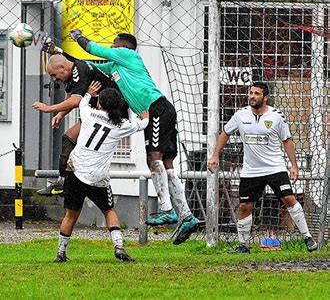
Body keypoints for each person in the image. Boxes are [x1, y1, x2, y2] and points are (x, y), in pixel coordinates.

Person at [67, 30, 198, 244]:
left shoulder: (130, 56)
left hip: (155, 107)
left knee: (153, 159)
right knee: (167, 164)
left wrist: (78, 36)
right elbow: (89, 66)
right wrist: (61, 54)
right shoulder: (117, 66)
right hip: (160, 110)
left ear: (124, 47)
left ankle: (167, 210)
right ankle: (186, 216)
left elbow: (92, 48)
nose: (112, 46)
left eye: (115, 43)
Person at [207, 82, 318, 253]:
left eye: (256, 93)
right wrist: (215, 155)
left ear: (265, 97)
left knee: (289, 199)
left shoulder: (276, 116)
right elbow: (225, 133)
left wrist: (294, 166)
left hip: (275, 168)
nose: (252, 96)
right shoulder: (240, 115)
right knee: (245, 206)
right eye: (251, 93)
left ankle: (308, 237)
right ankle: (243, 245)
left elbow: (287, 140)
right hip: (251, 170)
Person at [54, 83, 148, 262]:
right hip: (98, 177)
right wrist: (144, 114)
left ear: (100, 103)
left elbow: (82, 102)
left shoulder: (89, 115)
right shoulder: (121, 125)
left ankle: (61, 253)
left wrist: (89, 93)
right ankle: (119, 247)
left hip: (76, 171)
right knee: (108, 210)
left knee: (71, 214)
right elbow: (142, 125)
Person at [32, 53, 125, 196]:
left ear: (63, 68)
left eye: (54, 75)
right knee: (69, 139)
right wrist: (61, 114)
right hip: (96, 113)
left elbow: (76, 101)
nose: (54, 79)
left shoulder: (80, 71)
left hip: (111, 113)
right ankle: (64, 182)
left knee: (71, 140)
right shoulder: (69, 74)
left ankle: (69, 182)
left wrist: (49, 108)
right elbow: (70, 96)